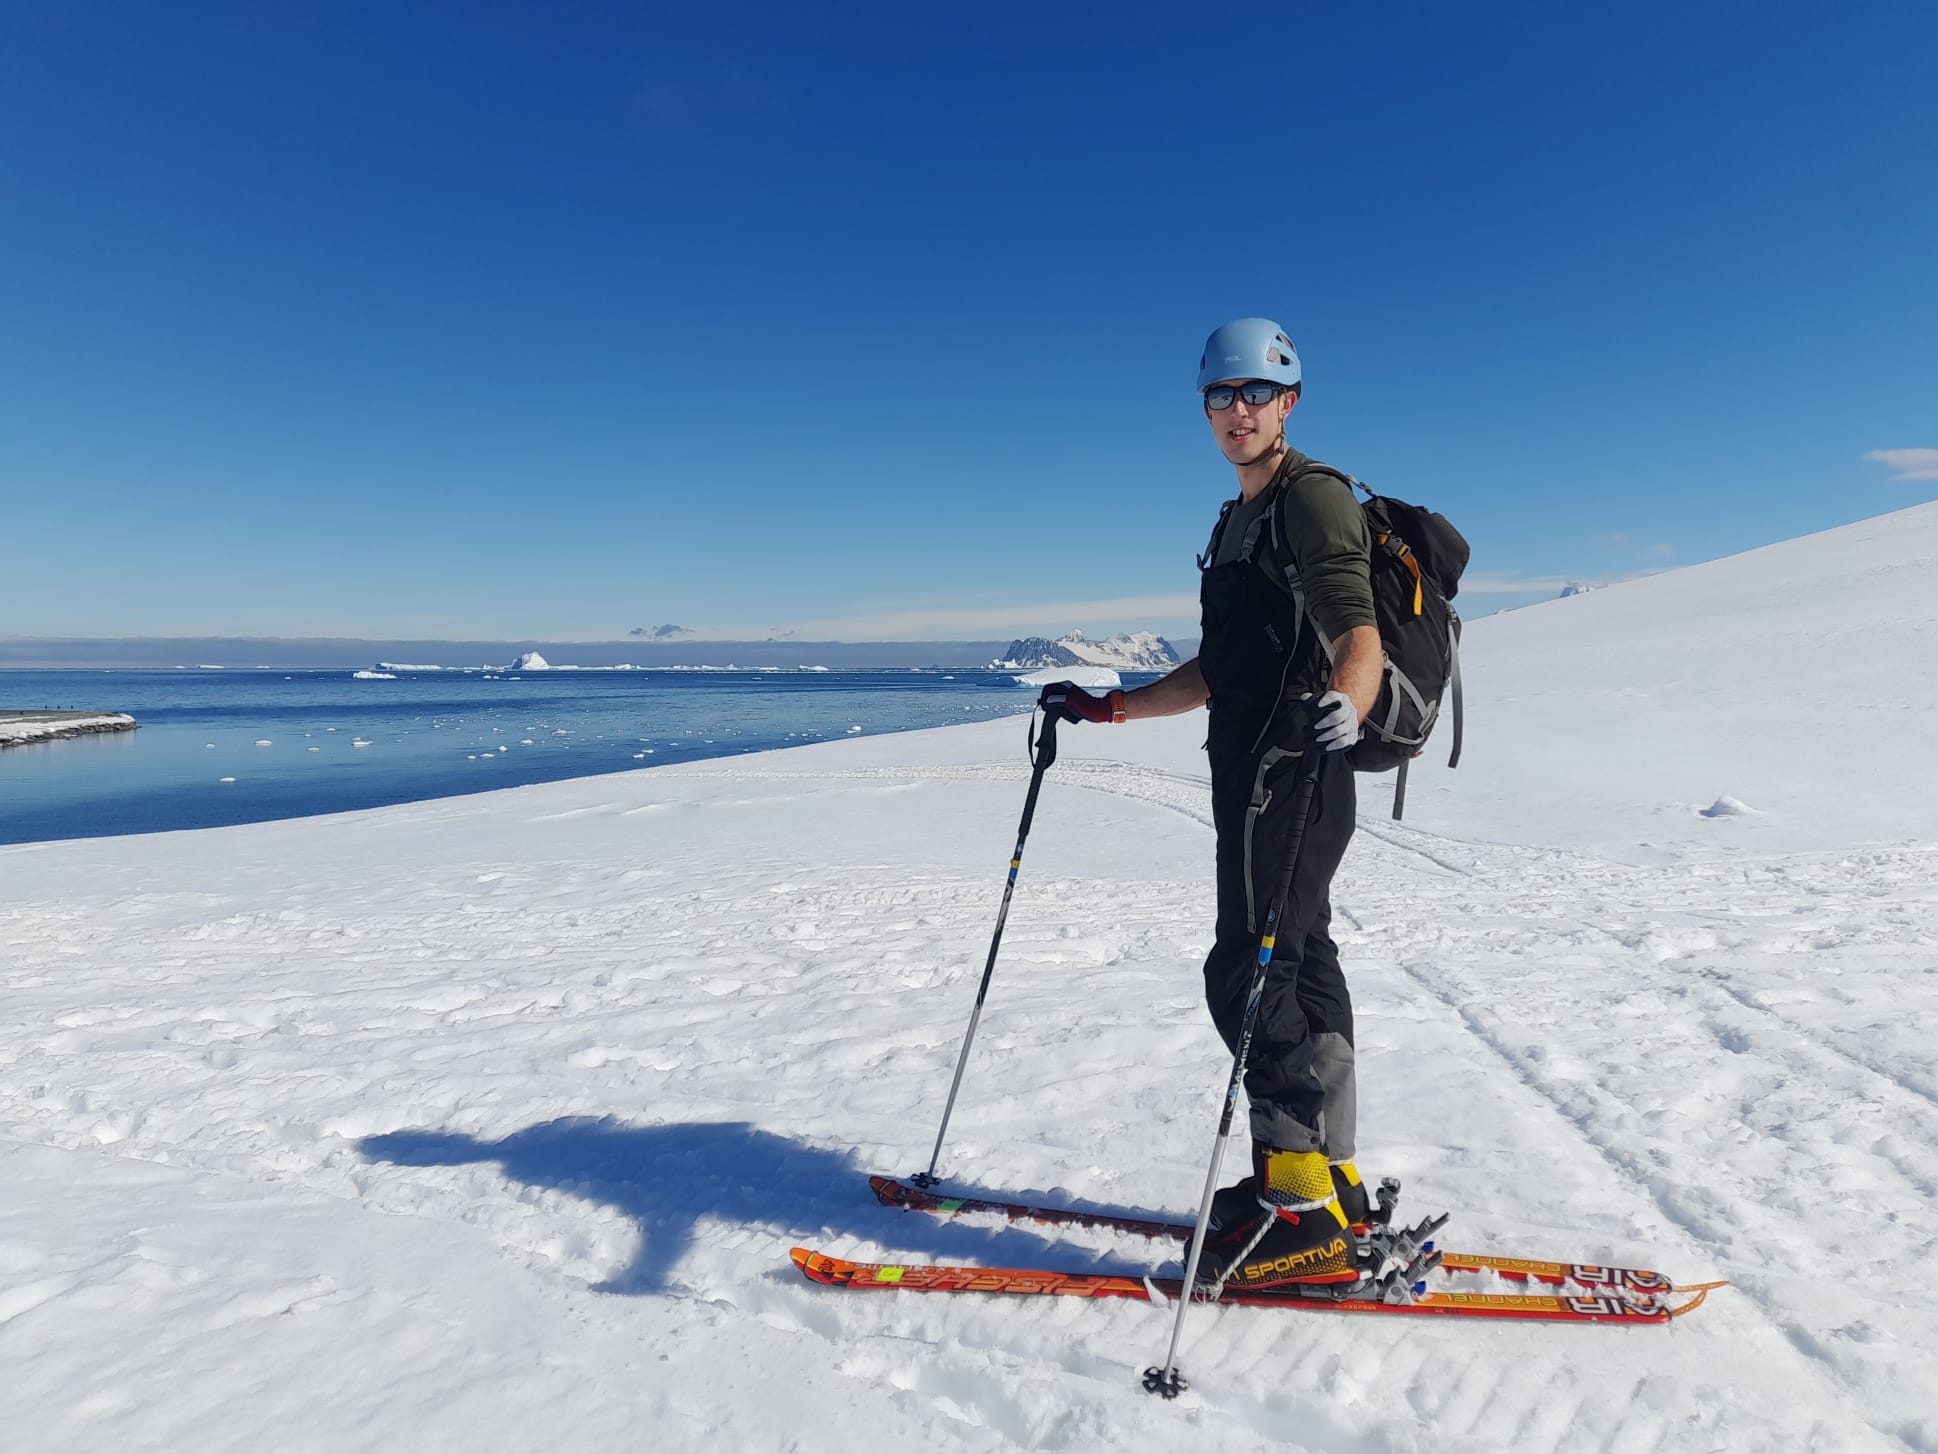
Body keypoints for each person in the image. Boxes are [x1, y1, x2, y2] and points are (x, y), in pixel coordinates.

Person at [1042, 318, 1382, 1289]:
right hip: (1259, 778)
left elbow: (1357, 628)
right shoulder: (1240, 517)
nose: (1238, 411)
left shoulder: (1311, 498)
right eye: (1221, 395)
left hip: (1297, 773)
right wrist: (1111, 704)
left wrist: (1347, 706)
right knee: (1302, 963)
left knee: (1247, 971)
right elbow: (1217, 669)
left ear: (1291, 400)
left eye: (1257, 393)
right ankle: (1331, 1183)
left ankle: (1300, 1209)